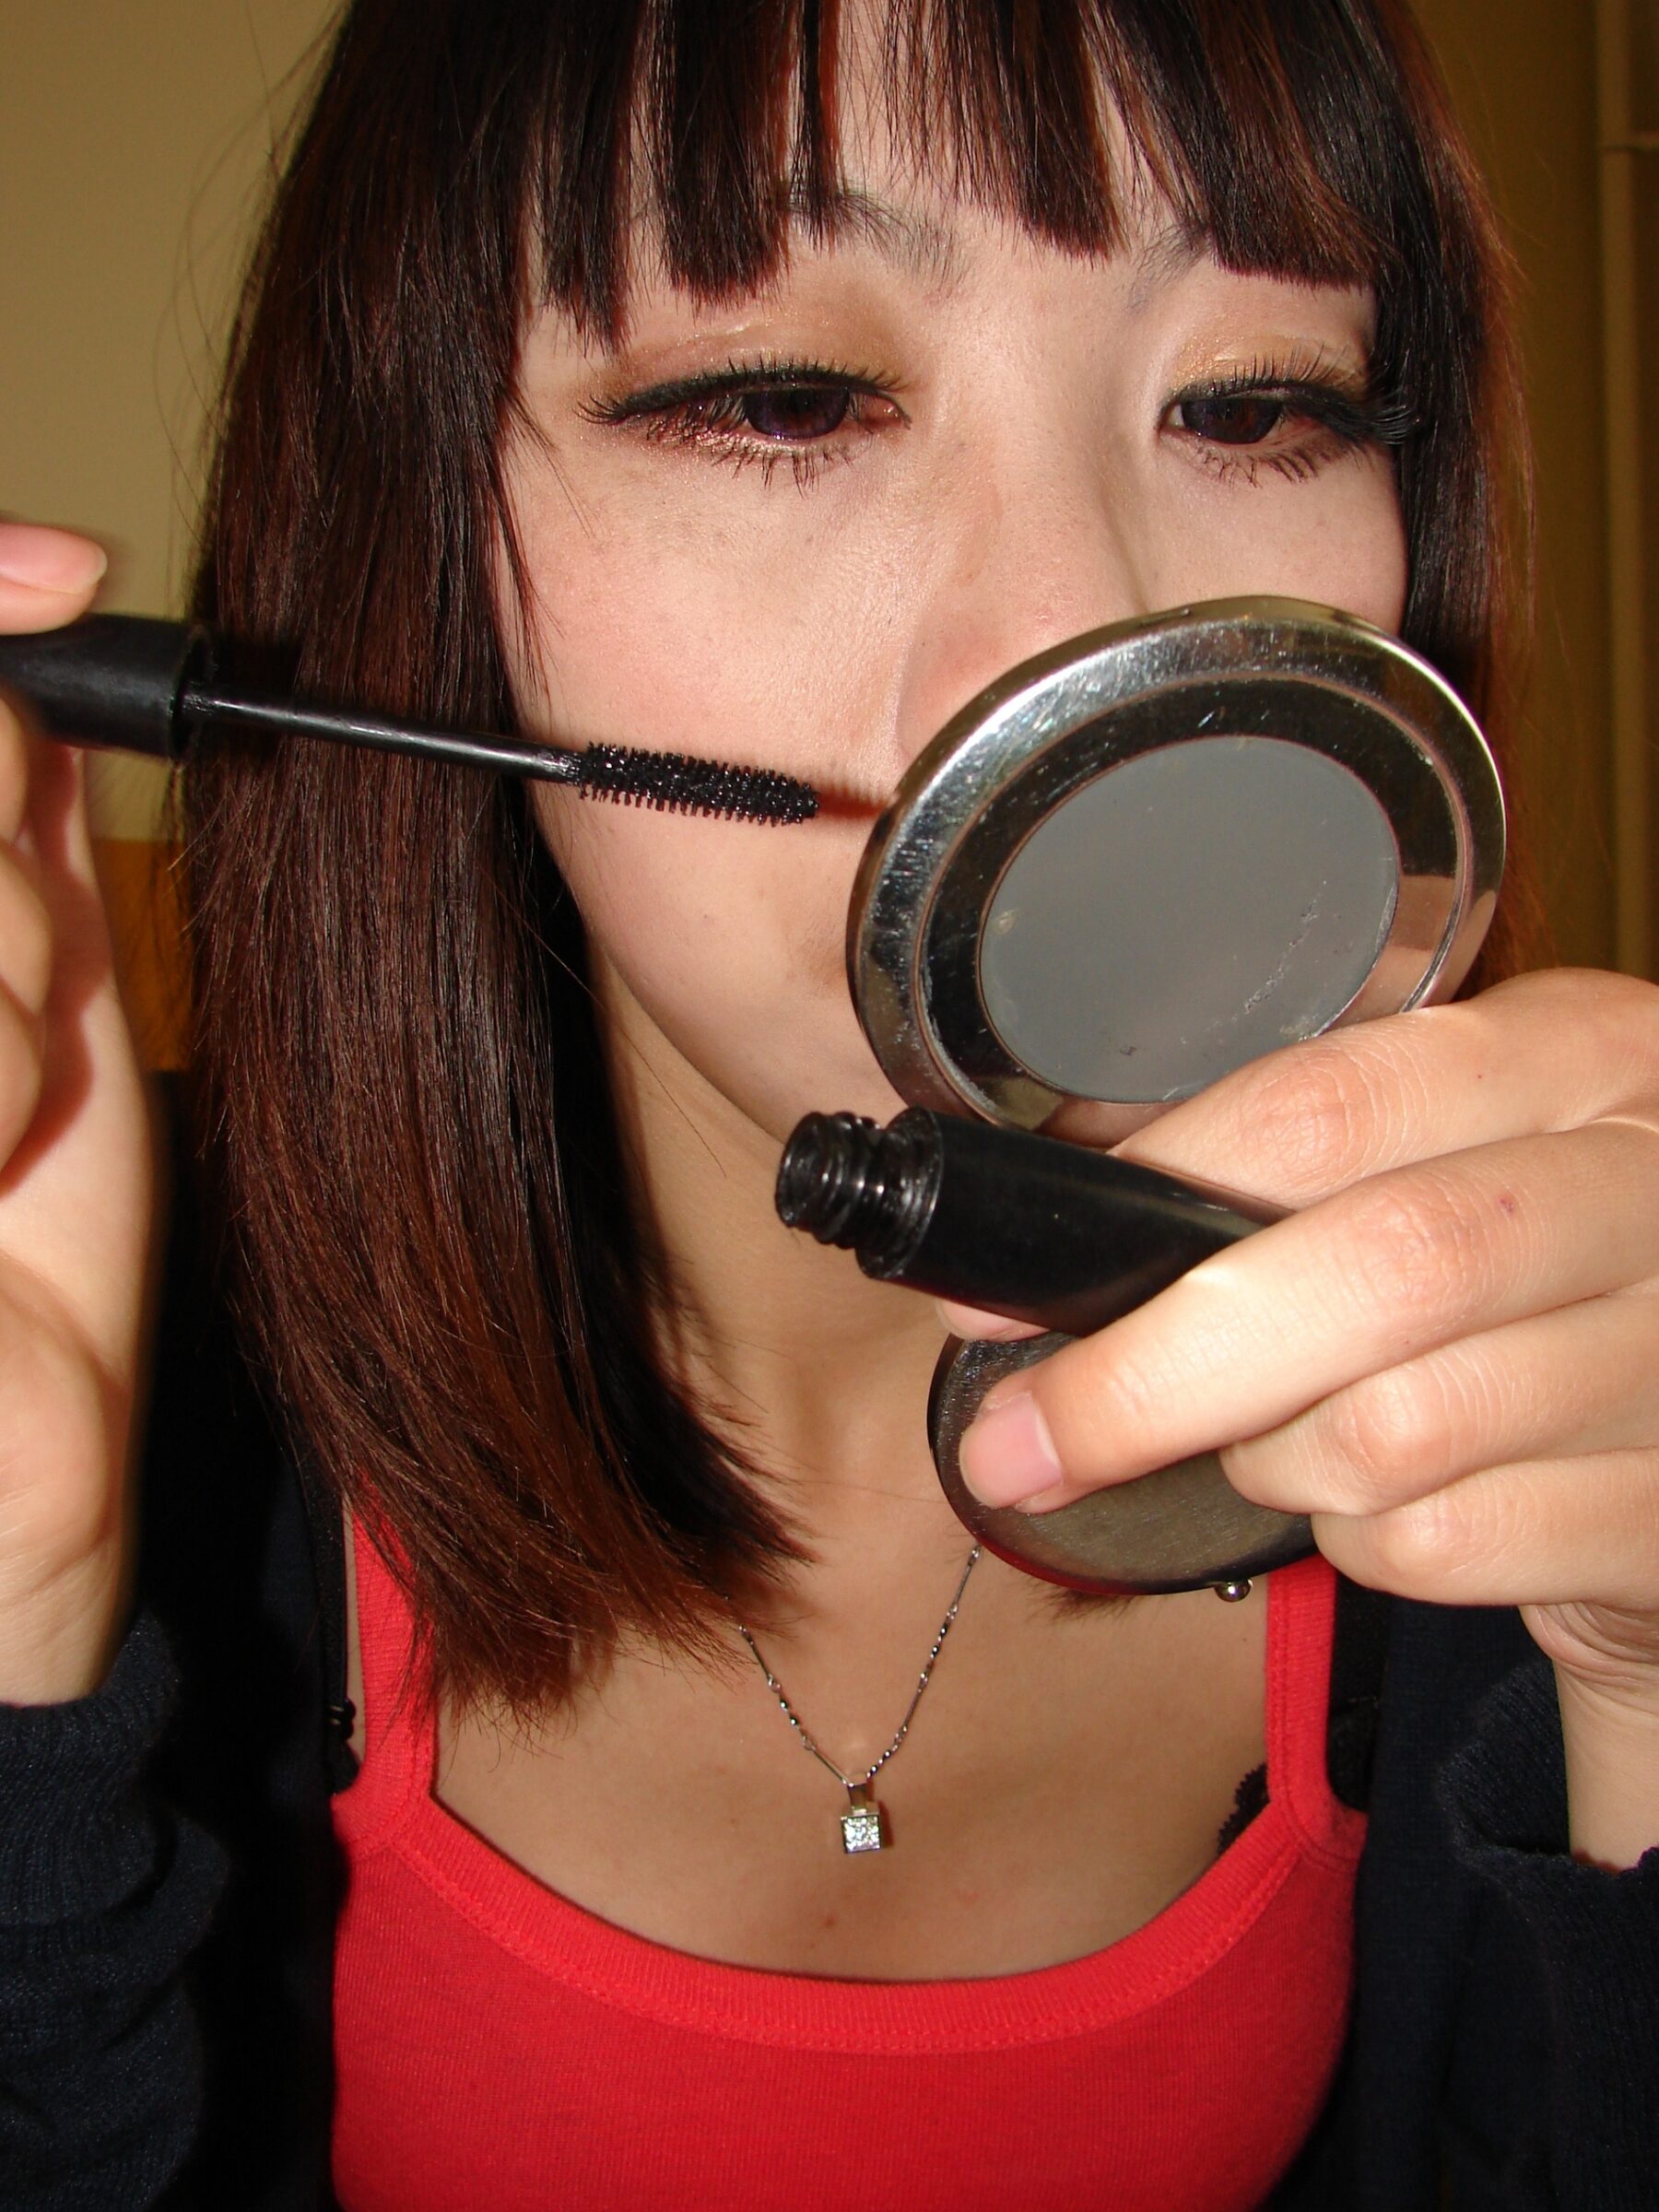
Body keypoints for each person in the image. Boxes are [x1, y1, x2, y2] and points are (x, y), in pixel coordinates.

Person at [2, 0, 1657, 2206]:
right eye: (787, 398)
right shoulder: (121, 1415)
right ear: (430, 551)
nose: (1069, 638)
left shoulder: (1522, 1449)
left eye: (1257, 405)